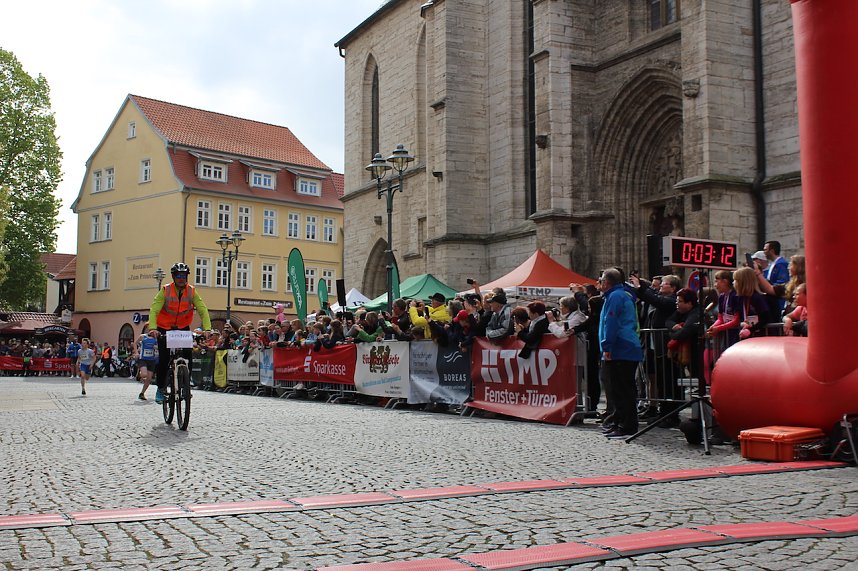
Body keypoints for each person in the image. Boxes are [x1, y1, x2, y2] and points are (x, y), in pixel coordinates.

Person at [149, 262, 212, 404]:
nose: (181, 278)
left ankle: (185, 381)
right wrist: (153, 328)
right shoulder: (165, 290)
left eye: (184, 275)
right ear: (173, 277)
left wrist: (207, 329)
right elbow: (154, 310)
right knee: (164, 359)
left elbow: (203, 309)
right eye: (178, 275)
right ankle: (160, 388)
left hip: (182, 327)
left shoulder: (191, 291)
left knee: (187, 353)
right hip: (164, 327)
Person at [598, 268, 643, 438]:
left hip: (621, 347)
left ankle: (627, 426)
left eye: (602, 280)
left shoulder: (616, 296)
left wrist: (607, 346)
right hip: (622, 346)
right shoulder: (617, 295)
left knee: (623, 389)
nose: (600, 283)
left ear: (607, 282)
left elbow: (611, 322)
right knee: (617, 389)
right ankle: (618, 422)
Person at [137, 330, 159, 400]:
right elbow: (135, 343)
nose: (154, 333)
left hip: (151, 360)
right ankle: (139, 374)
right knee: (144, 375)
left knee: (149, 379)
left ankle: (142, 393)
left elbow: (158, 348)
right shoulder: (143, 337)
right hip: (143, 359)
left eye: (156, 332)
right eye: (153, 331)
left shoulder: (156, 339)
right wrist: (136, 352)